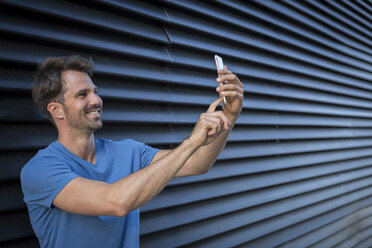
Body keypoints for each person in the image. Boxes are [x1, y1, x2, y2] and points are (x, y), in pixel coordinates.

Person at [20, 55, 244, 248]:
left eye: (95, 91)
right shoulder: (40, 169)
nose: (96, 100)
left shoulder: (128, 151)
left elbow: (197, 163)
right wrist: (190, 143)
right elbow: (115, 203)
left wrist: (230, 115)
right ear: (56, 110)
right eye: (82, 95)